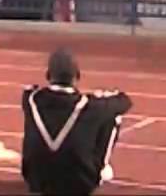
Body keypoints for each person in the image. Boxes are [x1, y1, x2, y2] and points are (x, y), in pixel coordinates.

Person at [21, 49, 132, 196]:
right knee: (112, 117)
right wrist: (102, 96)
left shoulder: (30, 99)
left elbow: (30, 90)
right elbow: (124, 102)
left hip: (36, 179)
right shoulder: (90, 106)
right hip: (79, 182)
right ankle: (102, 168)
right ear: (77, 76)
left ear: (48, 75)